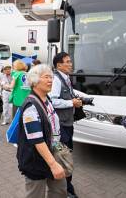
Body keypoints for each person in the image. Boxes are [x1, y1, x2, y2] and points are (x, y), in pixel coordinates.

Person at [17, 64, 67, 198]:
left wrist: (59, 150)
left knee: (60, 190)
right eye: (46, 77)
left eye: (51, 77)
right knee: (35, 194)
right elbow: (37, 140)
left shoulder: (47, 99)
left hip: (53, 153)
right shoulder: (31, 107)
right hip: (36, 161)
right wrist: (53, 164)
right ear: (35, 81)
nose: (50, 80)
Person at [50, 52, 85, 198]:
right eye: (67, 62)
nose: (71, 64)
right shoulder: (57, 79)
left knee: (67, 154)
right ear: (59, 65)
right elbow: (53, 100)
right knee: (63, 156)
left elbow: (67, 93)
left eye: (70, 61)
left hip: (67, 124)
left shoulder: (66, 78)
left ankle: (66, 186)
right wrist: (72, 102)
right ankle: (66, 189)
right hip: (61, 126)